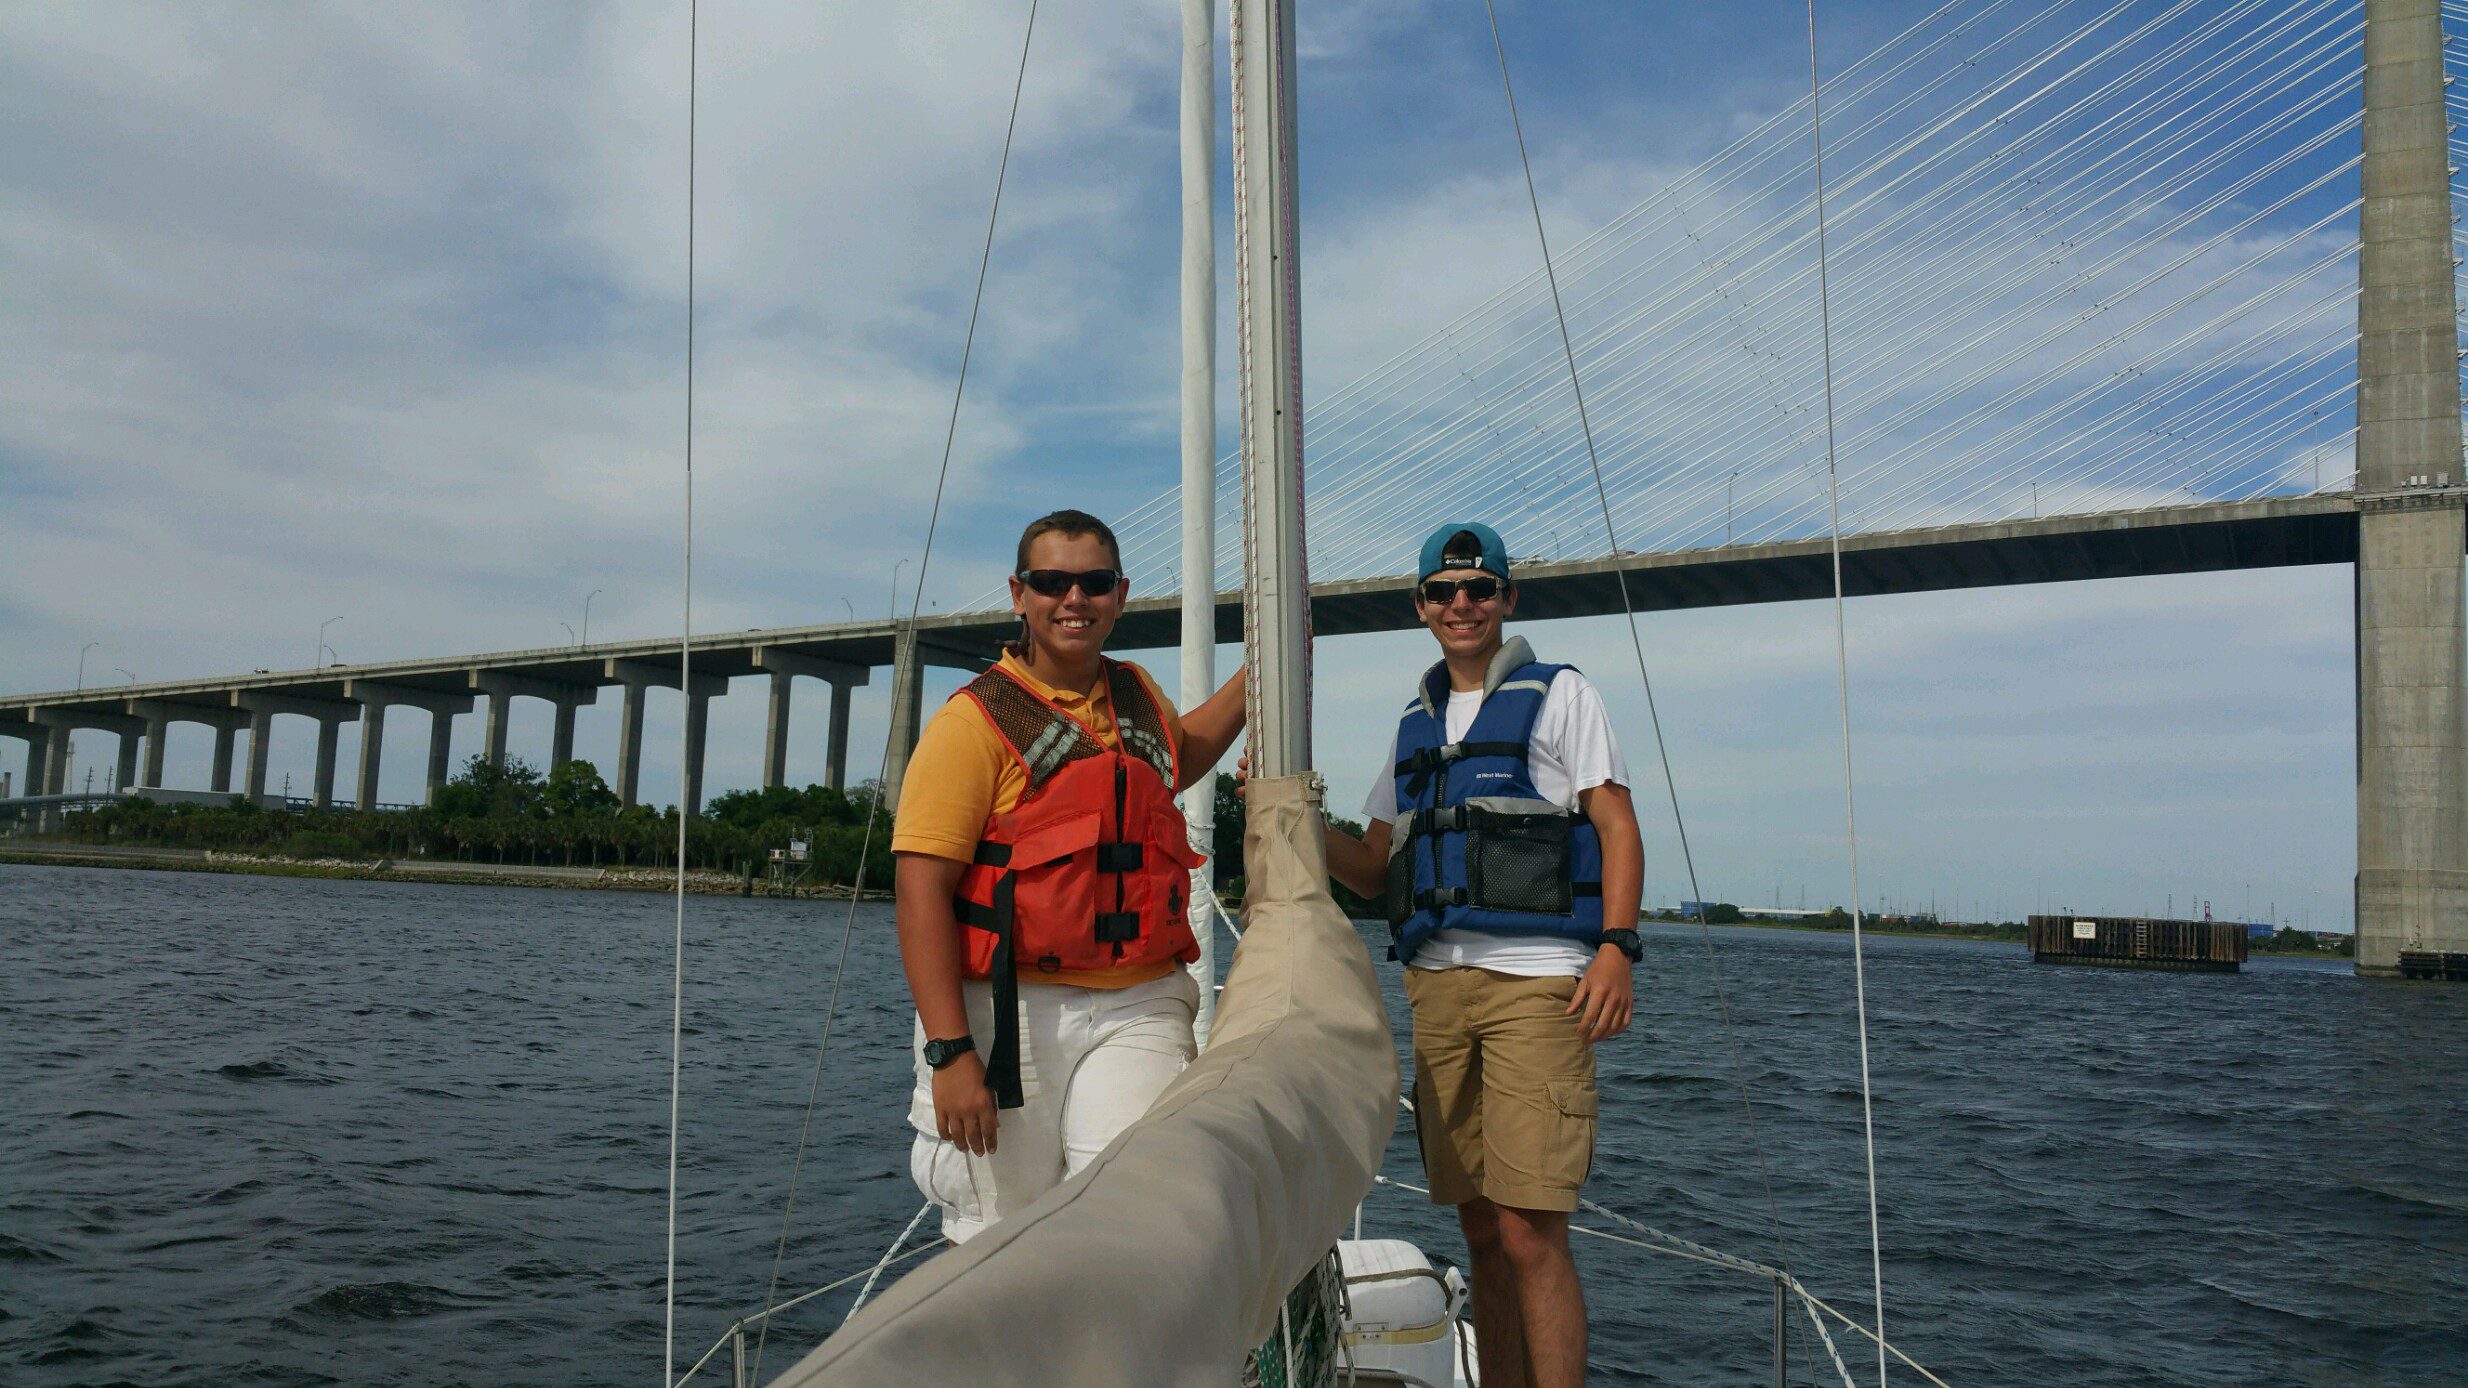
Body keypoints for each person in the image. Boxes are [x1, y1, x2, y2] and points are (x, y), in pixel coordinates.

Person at [1322, 521, 1644, 1388]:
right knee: (1476, 1231)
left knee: (1530, 1231)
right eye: (1442, 591)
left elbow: (1616, 826)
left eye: (1479, 588)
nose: (1461, 604)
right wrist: (1290, 817)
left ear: (1508, 599)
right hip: (1437, 993)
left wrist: (1616, 947)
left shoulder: (1561, 694)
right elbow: (1369, 867)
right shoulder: (1414, 723)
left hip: (1537, 988)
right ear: (1420, 606)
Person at [890, 508, 1244, 1242]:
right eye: (1052, 582)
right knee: (1000, 1237)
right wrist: (952, 1054)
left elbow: (1181, 755)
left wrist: (1267, 665)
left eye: (1094, 582)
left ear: (1120, 595)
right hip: (1010, 1016)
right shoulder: (972, 723)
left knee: (1130, 1212)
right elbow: (920, 888)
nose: (1073, 599)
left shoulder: (1137, 692)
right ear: (1019, 594)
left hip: (1140, 1002)